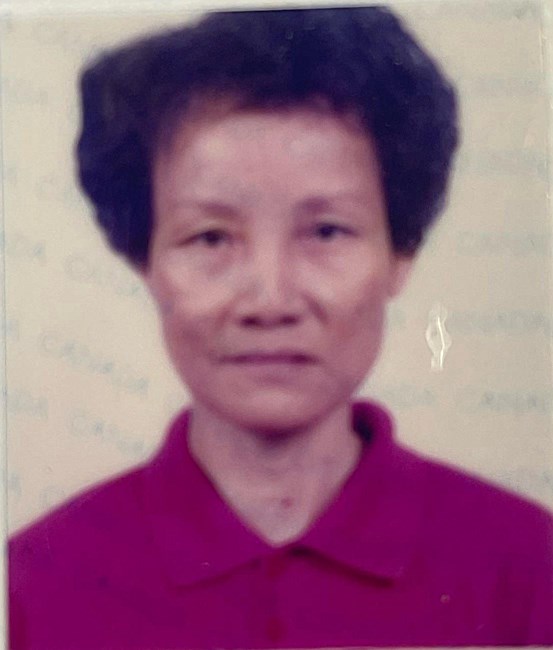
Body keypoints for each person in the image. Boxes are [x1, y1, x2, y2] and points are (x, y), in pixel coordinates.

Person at [8, 5, 553, 649]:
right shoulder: (31, 585)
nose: (270, 301)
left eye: (326, 231)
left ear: (400, 253)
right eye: (211, 237)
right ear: (144, 261)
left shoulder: (527, 565)